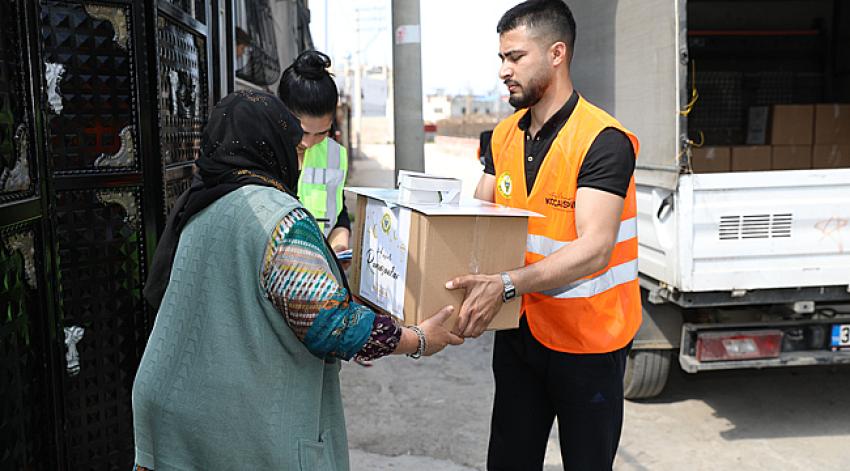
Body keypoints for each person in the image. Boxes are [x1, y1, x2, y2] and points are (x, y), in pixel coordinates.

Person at [134, 90, 463, 470]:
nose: (300, 158)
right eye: (296, 148)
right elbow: (330, 324)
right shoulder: (280, 218)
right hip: (234, 430)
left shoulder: (199, 203)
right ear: (272, 148)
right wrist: (418, 339)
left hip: (171, 414)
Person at [445, 1, 640, 470]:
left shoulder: (602, 140)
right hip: (520, 334)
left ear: (556, 53)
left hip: (589, 340)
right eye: (501, 59)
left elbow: (595, 249)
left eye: (515, 57)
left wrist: (505, 284)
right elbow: (480, 217)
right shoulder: (502, 136)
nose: (503, 71)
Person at [278, 50, 351, 254]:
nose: (308, 142)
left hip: (317, 273)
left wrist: (340, 243)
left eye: (321, 133)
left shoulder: (335, 155)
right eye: (301, 132)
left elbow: (338, 212)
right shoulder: (261, 151)